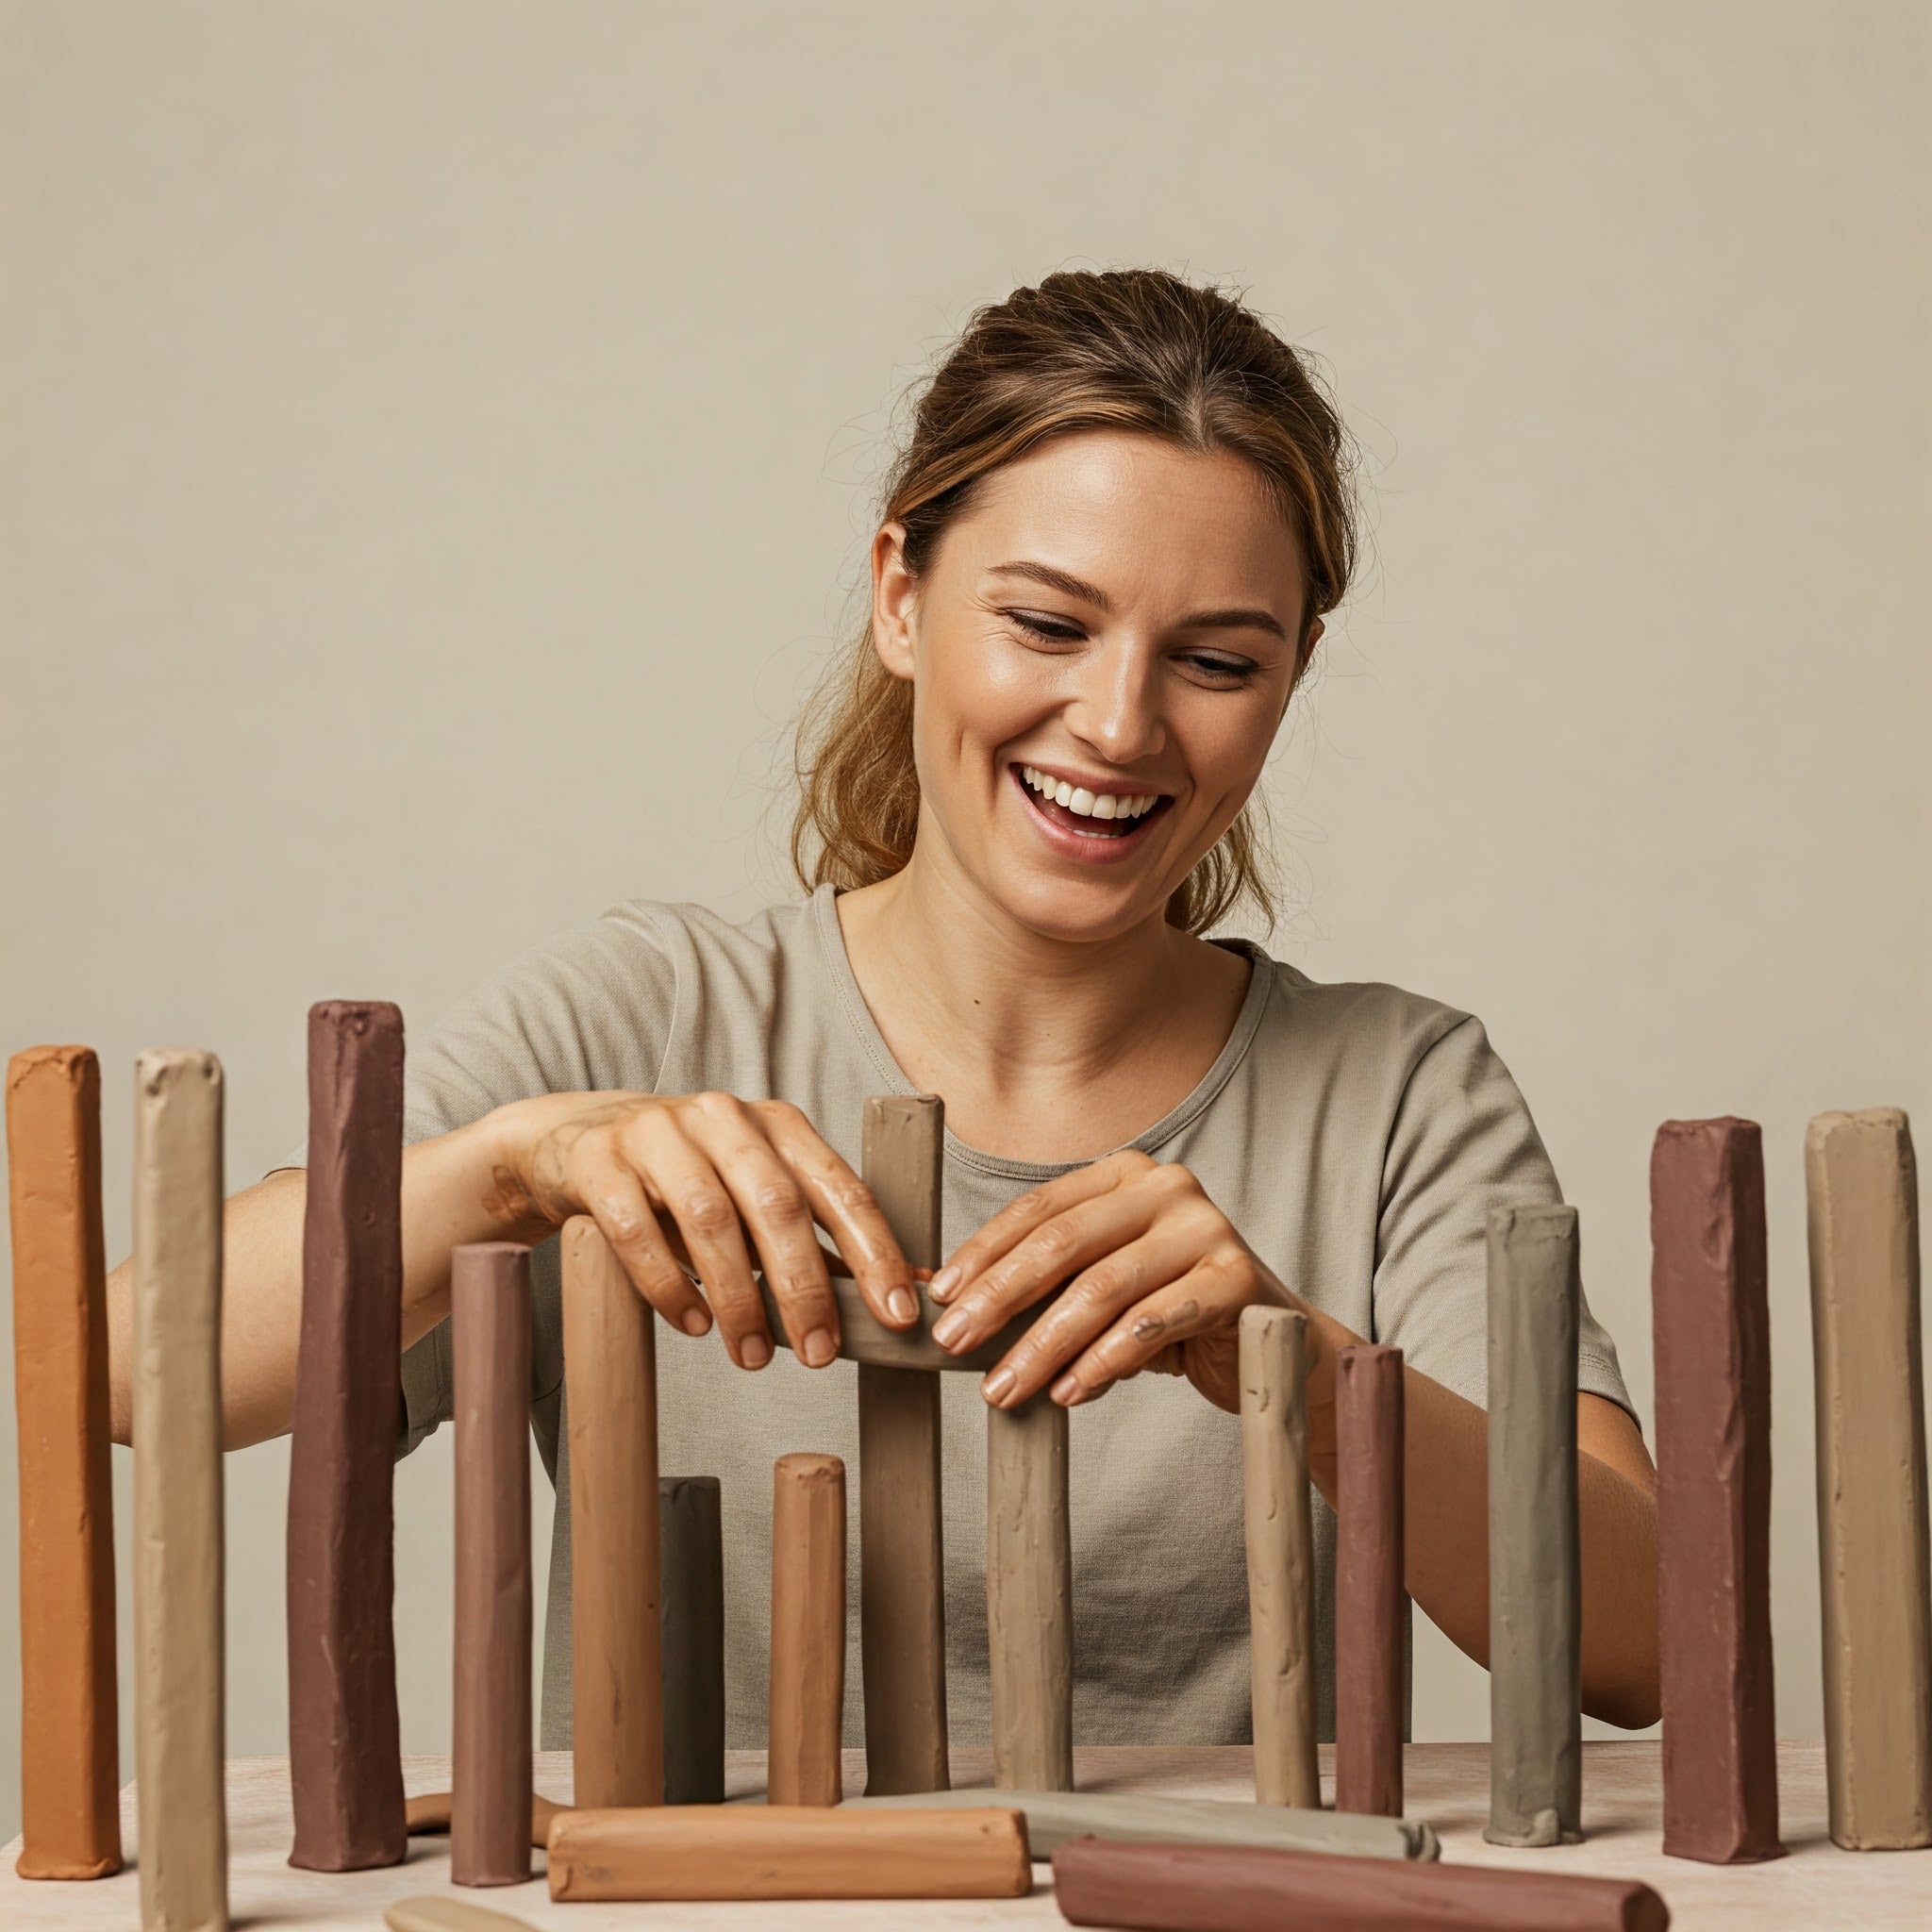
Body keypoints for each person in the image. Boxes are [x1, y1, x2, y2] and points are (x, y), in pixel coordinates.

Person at [104, 267, 1660, 1753]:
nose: (1118, 726)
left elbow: (1650, 1648)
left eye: (1215, 660)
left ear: (1292, 677)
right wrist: (509, 1170)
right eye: (1046, 625)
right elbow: (126, 1371)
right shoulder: (641, 1017)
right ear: (900, 599)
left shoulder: (1397, 1093)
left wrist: (1303, 1370)